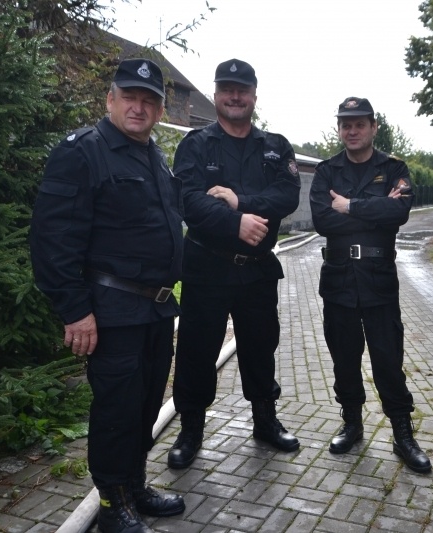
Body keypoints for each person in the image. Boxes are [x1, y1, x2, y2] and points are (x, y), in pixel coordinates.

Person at [30, 59, 185, 533]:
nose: (139, 107)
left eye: (149, 100)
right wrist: (76, 310)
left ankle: (134, 487)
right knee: (116, 409)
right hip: (112, 309)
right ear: (110, 99)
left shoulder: (153, 156)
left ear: (159, 110)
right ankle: (112, 503)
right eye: (130, 97)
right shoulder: (83, 153)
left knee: (144, 404)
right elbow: (51, 239)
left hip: (156, 307)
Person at [167, 59, 301, 469]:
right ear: (216, 94)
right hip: (207, 266)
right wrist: (235, 223)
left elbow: (287, 196)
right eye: (227, 88)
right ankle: (191, 430)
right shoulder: (195, 144)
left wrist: (240, 202)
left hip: (257, 269)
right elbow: (189, 200)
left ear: (254, 96)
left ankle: (265, 421)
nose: (235, 96)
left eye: (242, 89)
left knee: (261, 346)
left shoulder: (276, 146)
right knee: (196, 350)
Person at [309, 96, 432, 474]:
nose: (352, 130)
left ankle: (402, 434)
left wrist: (350, 207)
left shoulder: (393, 167)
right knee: (344, 357)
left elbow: (399, 212)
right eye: (346, 124)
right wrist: (372, 210)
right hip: (340, 280)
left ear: (373, 126)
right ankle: (352, 423)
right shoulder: (327, 171)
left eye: (359, 123)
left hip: (379, 282)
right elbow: (322, 221)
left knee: (387, 360)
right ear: (339, 128)